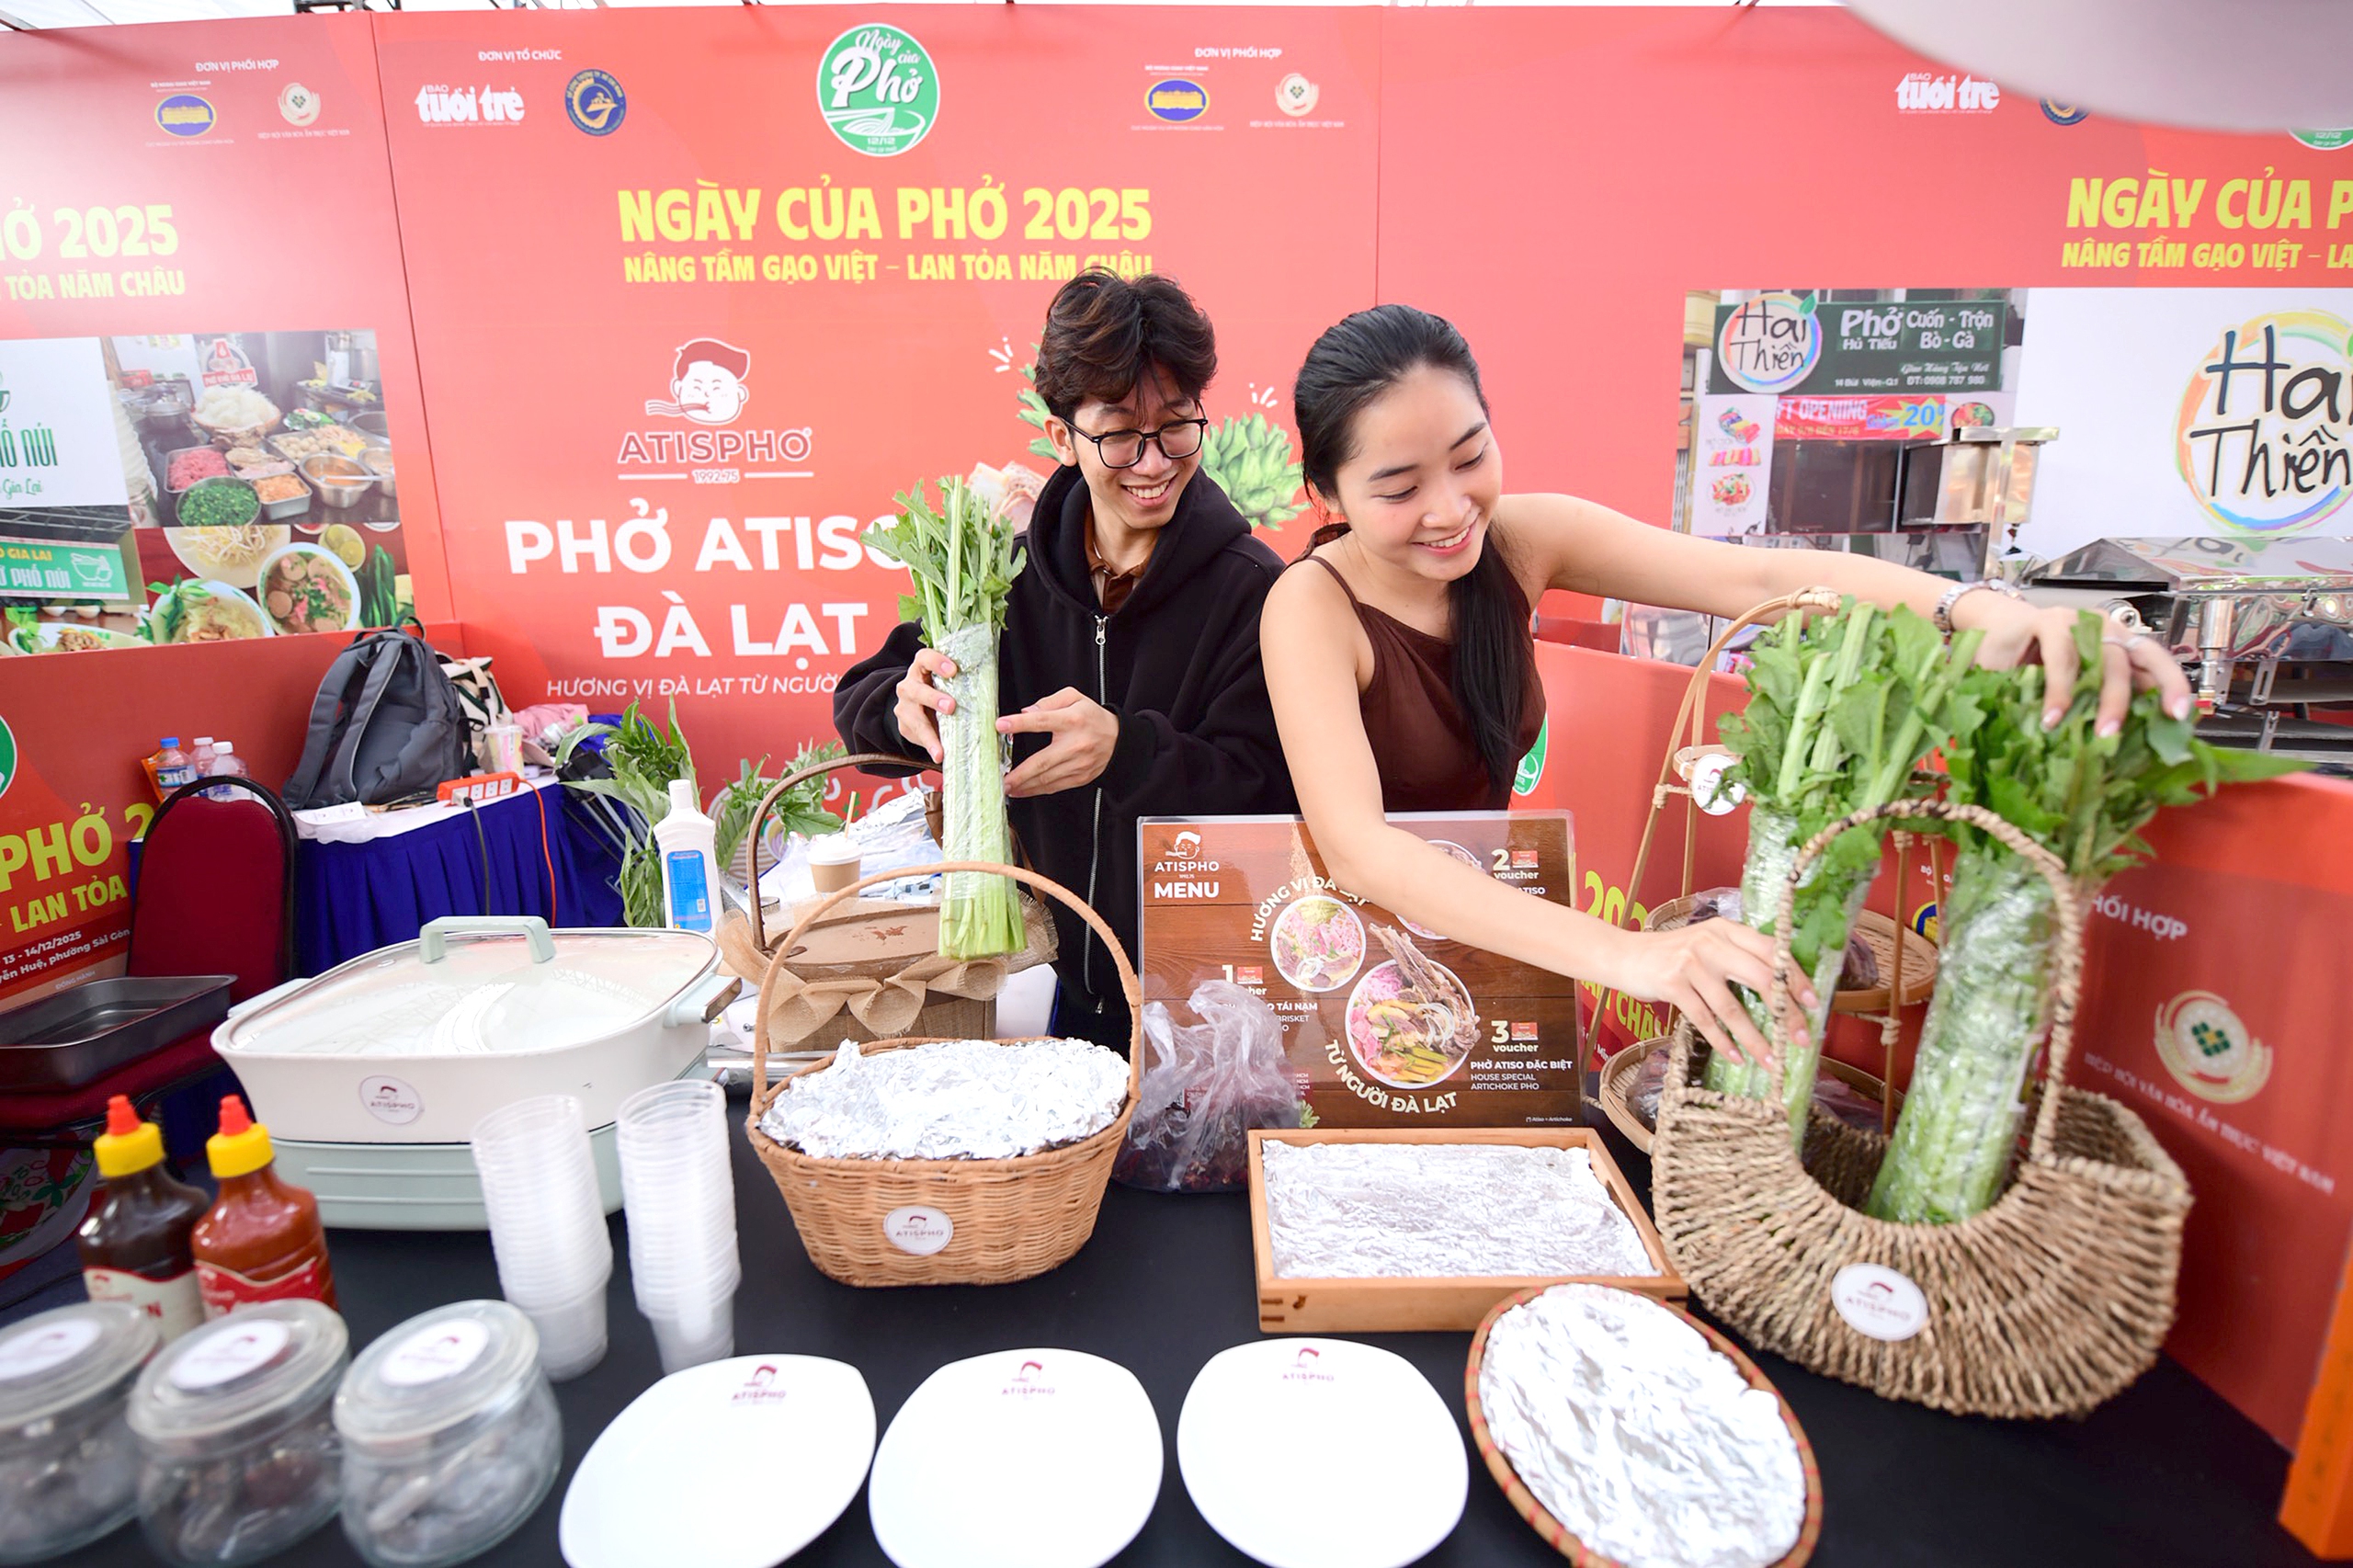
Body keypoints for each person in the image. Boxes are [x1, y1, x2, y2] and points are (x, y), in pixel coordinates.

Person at [1260, 303, 2194, 1067]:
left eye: (1470, 457)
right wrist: (1631, 955)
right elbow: (1360, 850)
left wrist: (1979, 608)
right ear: (1327, 495)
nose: (1450, 507)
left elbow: (1756, 579)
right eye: (1399, 488)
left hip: (1485, 943)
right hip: (1347, 970)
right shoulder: (1309, 606)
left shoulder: (1522, 539)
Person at [835, 269, 1295, 1051]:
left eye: (1176, 427)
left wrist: (1131, 751)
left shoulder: (1254, 590)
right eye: (1119, 435)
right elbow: (864, 700)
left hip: (1211, 1010)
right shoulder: (1001, 578)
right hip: (1058, 991)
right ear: (1061, 439)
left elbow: (1274, 792)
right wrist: (901, 706)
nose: (1153, 462)